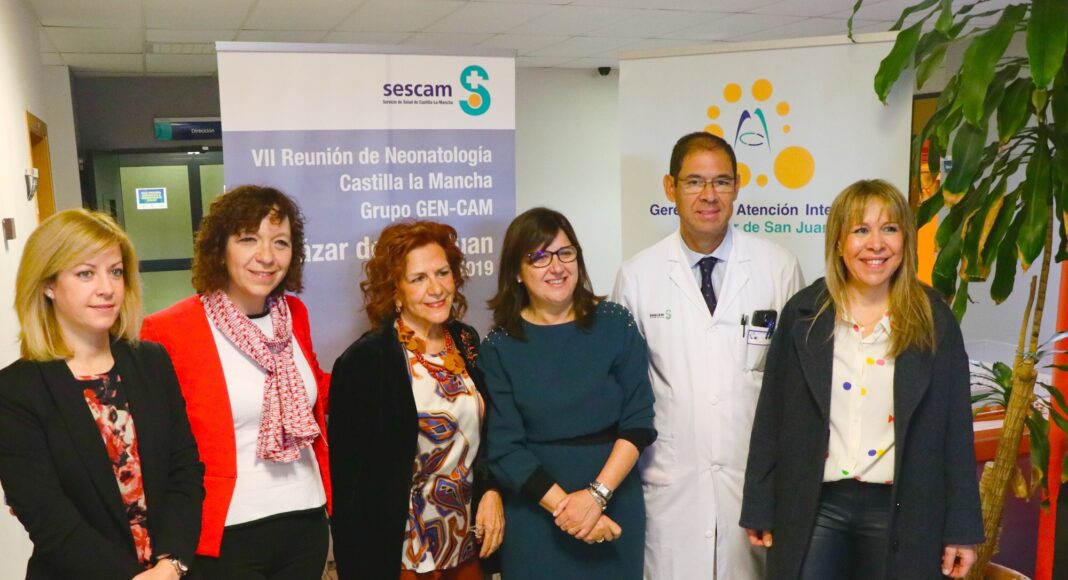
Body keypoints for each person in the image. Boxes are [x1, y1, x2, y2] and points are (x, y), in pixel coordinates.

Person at [740, 179, 983, 579]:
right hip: (817, 506)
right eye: (861, 230)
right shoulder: (804, 314)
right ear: (839, 242)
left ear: (905, 240)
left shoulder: (934, 320)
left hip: (904, 509)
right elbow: (771, 416)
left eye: (889, 229)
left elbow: (956, 431)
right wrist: (759, 503)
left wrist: (962, 529)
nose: (876, 244)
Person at [612, 131, 804, 579]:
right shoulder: (637, 276)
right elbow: (623, 391)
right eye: (694, 182)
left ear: (737, 186)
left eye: (721, 181)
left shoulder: (778, 267)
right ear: (670, 188)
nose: (709, 195)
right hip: (670, 488)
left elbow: (796, 388)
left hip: (753, 487)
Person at [0, 209, 203, 579]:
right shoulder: (16, 390)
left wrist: (170, 565)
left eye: (115, 271)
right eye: (85, 273)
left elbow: (185, 469)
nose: (107, 288)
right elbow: (47, 516)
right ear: (47, 285)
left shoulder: (152, 362)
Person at [140, 186, 331, 579]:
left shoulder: (295, 314)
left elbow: (317, 396)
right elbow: (159, 447)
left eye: (280, 242)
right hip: (225, 532)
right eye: (248, 239)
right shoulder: (171, 329)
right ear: (220, 248)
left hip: (306, 519)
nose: (267, 256)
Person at [482, 207, 656, 580]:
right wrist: (572, 511)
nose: (556, 267)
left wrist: (597, 496)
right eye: (539, 257)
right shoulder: (499, 346)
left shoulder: (616, 324)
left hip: (614, 503)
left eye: (565, 253)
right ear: (517, 271)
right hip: (536, 514)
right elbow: (504, 448)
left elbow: (639, 421)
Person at [329, 220, 504, 580]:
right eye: (418, 278)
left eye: (442, 273)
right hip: (403, 554)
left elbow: (488, 435)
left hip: (465, 544)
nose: (436, 288)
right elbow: (351, 487)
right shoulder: (366, 361)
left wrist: (492, 490)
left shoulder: (465, 341)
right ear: (396, 291)